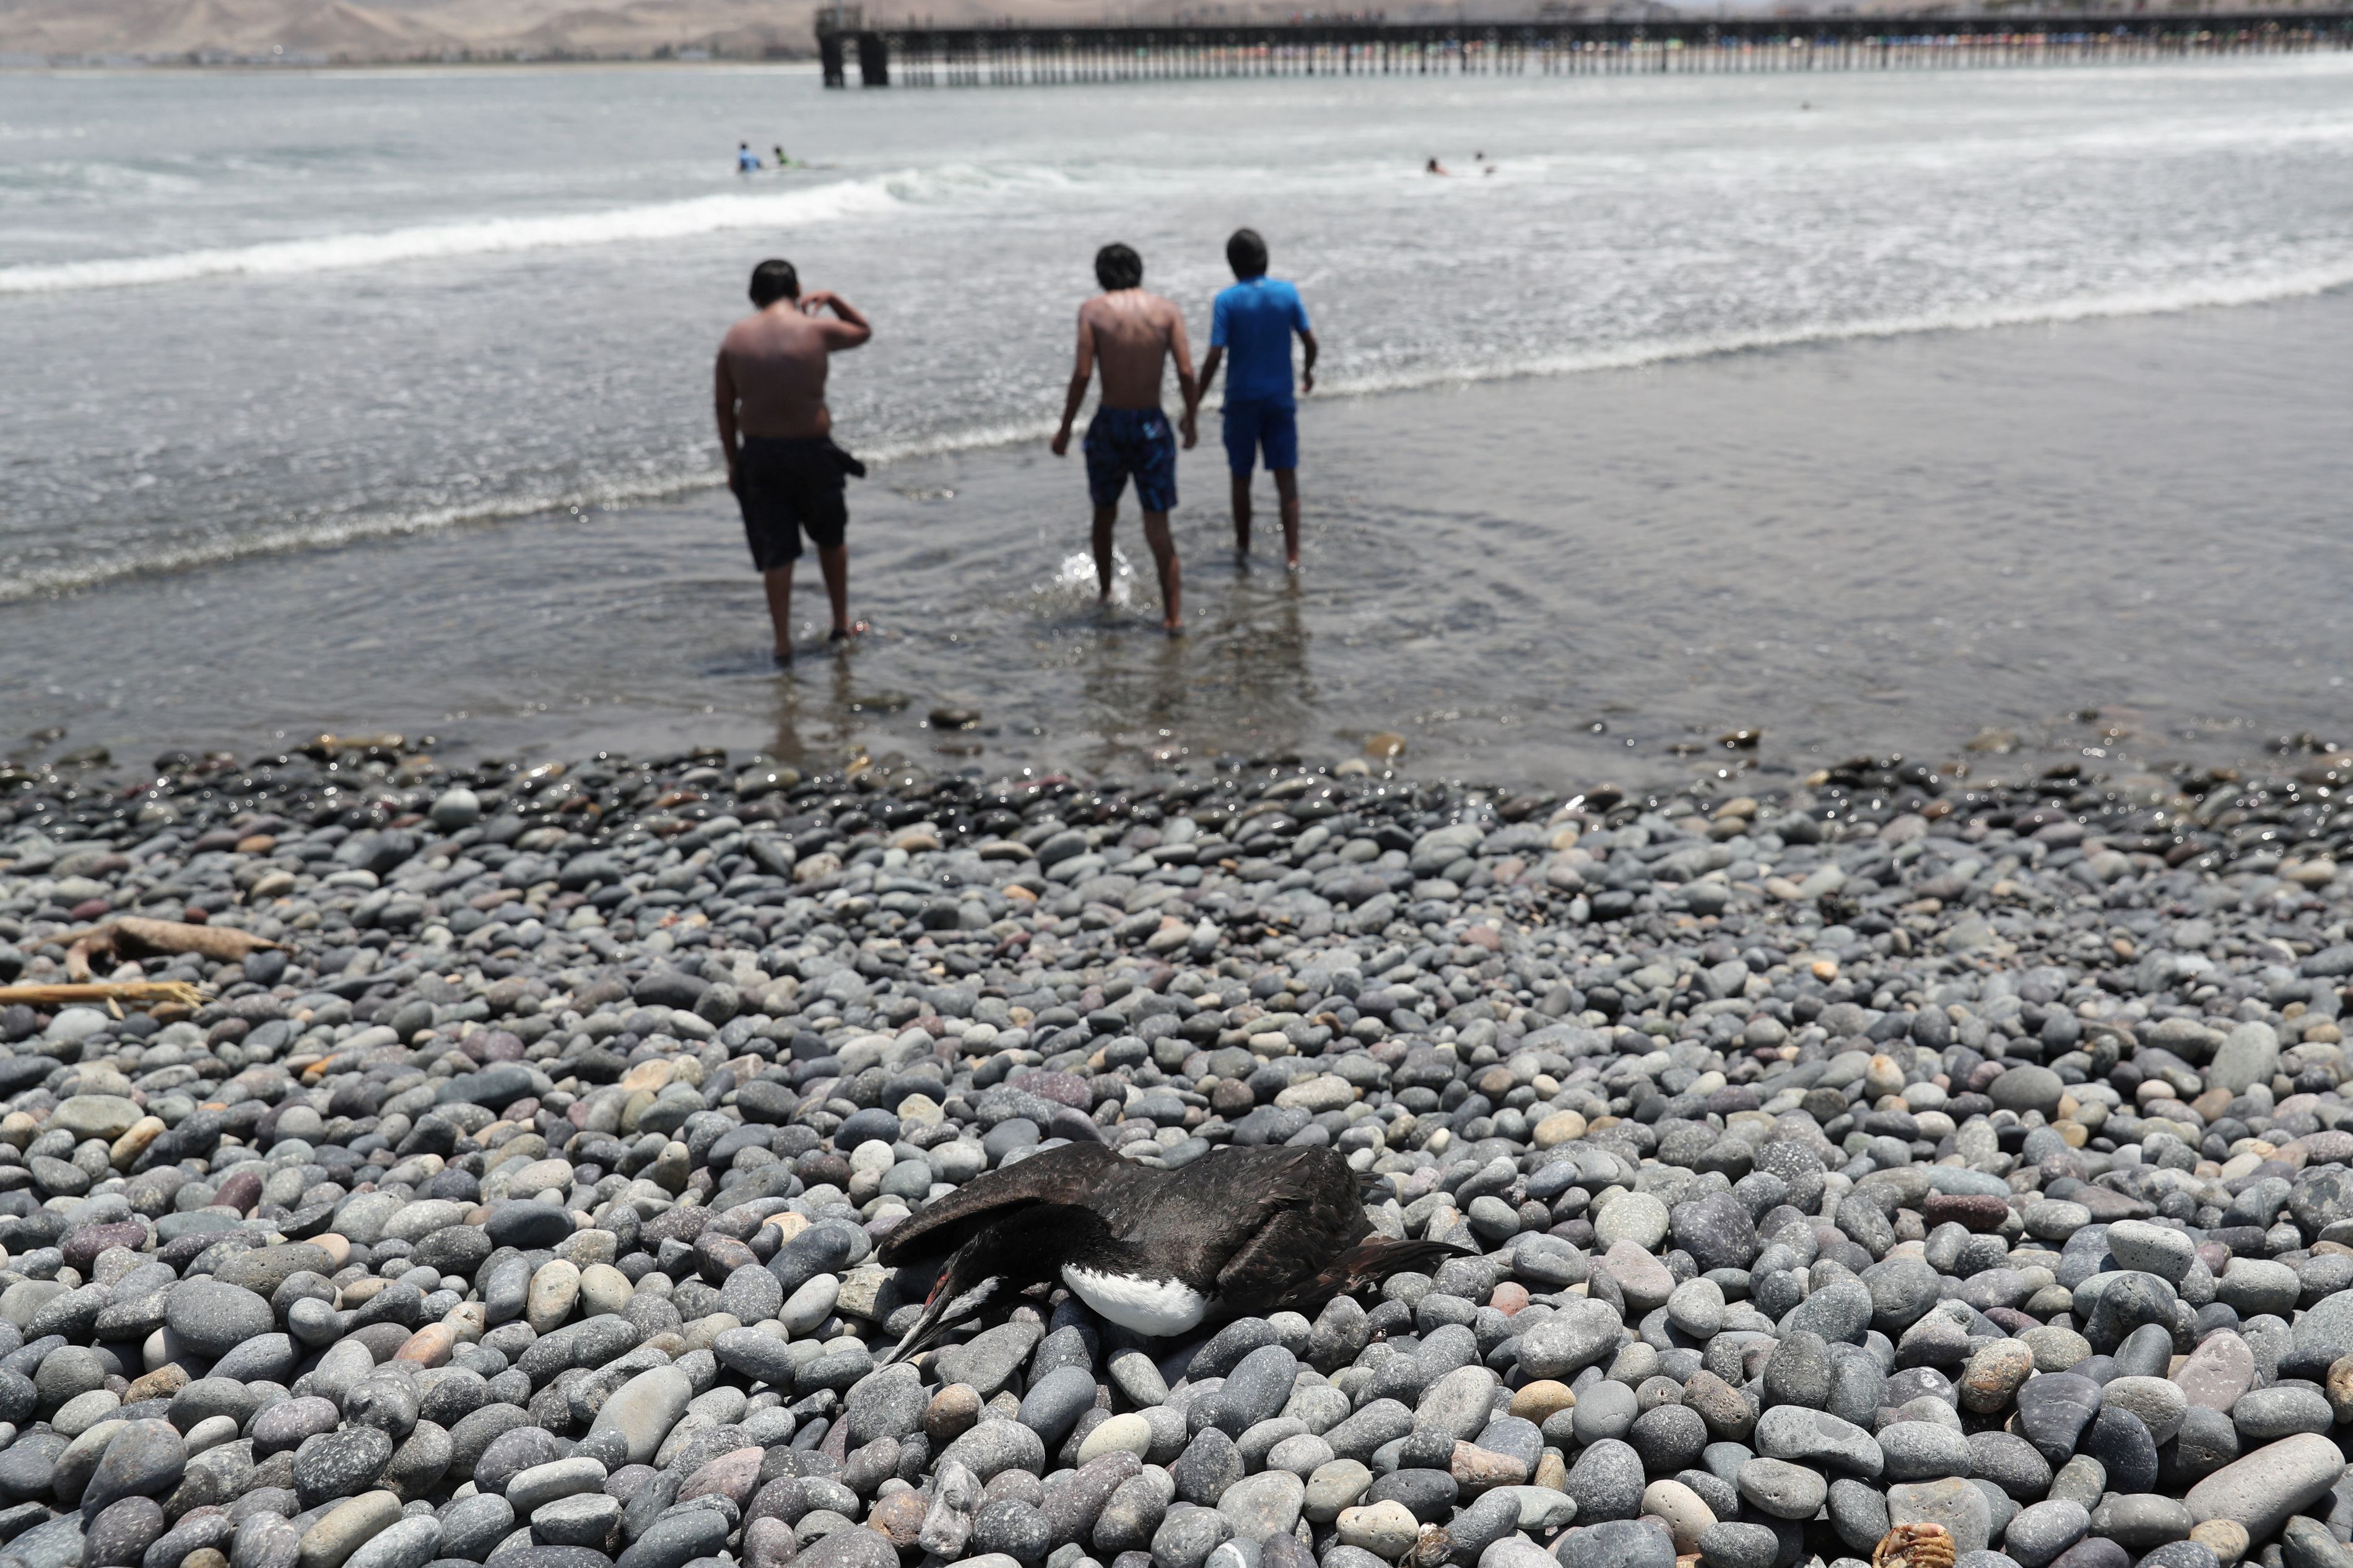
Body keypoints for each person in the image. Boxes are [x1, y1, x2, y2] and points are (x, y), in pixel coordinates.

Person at [714, 258, 872, 664]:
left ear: (753, 296)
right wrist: (833, 298)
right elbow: (863, 332)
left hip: (761, 456)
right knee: (831, 539)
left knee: (777, 552)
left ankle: (782, 643)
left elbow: (723, 407)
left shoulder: (735, 338)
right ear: (799, 291)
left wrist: (734, 463)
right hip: (813, 451)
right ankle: (841, 623)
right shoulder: (815, 328)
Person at [1050, 242, 1199, 633]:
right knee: (1158, 524)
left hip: (1111, 424)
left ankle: (1105, 593)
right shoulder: (1167, 311)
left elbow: (1083, 375)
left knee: (1104, 514)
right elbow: (1186, 372)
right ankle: (1172, 617)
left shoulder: (1094, 312)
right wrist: (1192, 420)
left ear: (1101, 276)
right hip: (1152, 425)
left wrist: (1065, 428)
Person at [1194, 228, 1317, 569]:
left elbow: (1215, 356)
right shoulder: (1287, 293)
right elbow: (1310, 342)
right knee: (1286, 478)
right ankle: (1292, 556)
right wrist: (1307, 373)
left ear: (1232, 264)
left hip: (1241, 402)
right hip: (1279, 400)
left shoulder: (1227, 300)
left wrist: (1193, 403)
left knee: (1241, 478)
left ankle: (1244, 548)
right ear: (1266, 258)